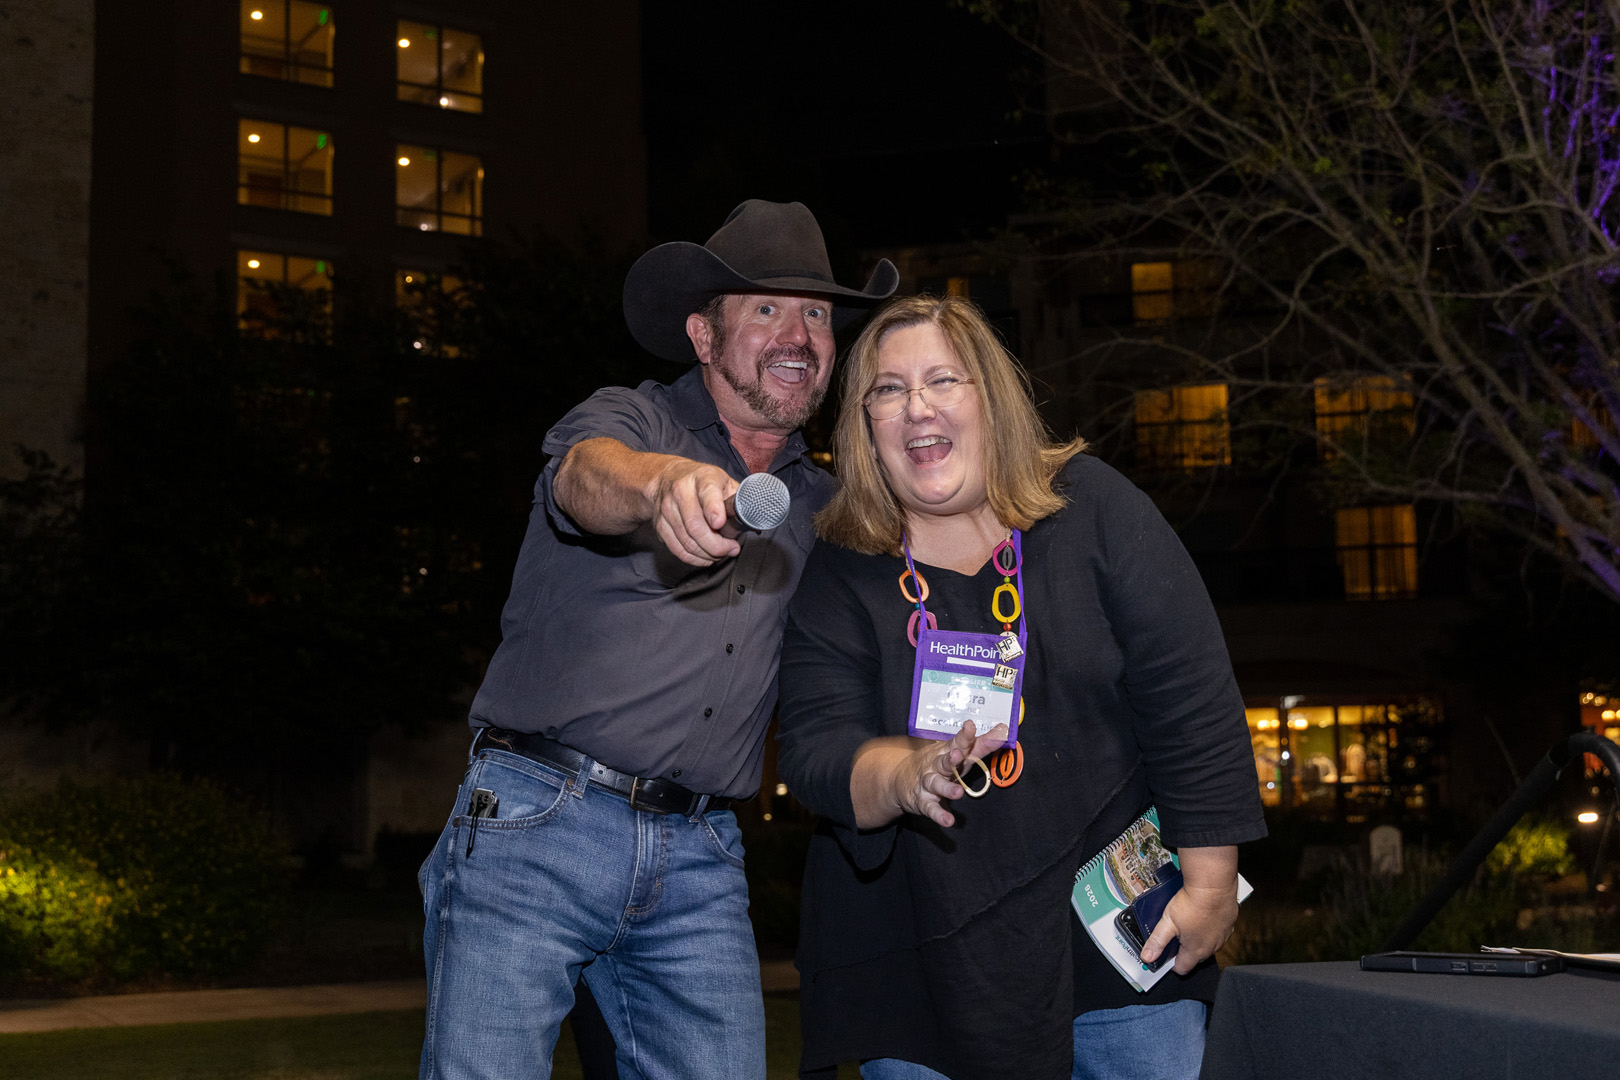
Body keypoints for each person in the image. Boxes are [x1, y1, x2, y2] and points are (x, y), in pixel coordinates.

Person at [417, 199, 897, 1080]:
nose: (798, 335)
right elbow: (584, 477)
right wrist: (662, 484)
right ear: (703, 337)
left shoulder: (827, 511)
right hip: (539, 818)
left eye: (817, 314)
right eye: (767, 308)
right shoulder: (633, 422)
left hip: (700, 853)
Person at [776, 295, 1267, 1080]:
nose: (917, 406)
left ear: (991, 397)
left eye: (943, 379)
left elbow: (1191, 700)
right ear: (865, 424)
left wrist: (1210, 886)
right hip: (916, 964)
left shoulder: (1095, 508)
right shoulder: (840, 568)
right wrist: (905, 775)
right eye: (889, 389)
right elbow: (815, 750)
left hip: (1119, 942)